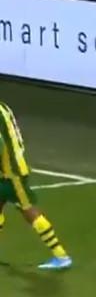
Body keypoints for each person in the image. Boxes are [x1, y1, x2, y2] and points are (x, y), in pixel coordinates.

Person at [0, 101, 72, 270]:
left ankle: (61, 256)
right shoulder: (3, 107)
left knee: (28, 211)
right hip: (9, 170)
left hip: (11, 174)